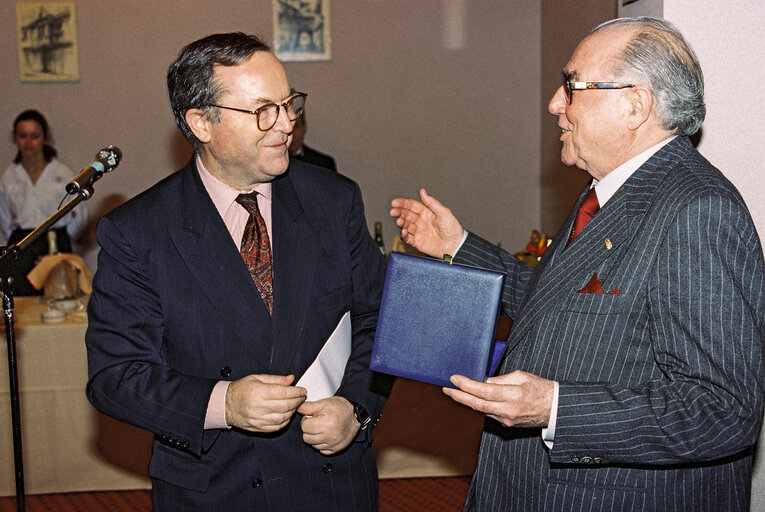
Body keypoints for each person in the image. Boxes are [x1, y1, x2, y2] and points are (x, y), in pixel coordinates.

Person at [390, 17, 765, 512]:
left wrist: (555, 409)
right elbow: (566, 304)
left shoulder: (697, 209)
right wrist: (458, 246)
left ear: (635, 105)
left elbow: (722, 410)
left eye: (572, 86)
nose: (554, 104)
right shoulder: (608, 192)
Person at [85, 32, 387, 511]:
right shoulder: (138, 232)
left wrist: (357, 408)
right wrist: (222, 404)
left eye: (290, 104)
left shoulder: (334, 200)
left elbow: (378, 321)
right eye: (264, 109)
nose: (286, 124)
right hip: (215, 488)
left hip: (329, 481)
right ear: (202, 123)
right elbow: (115, 377)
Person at [0, 109, 89, 295]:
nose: (28, 142)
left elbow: (78, 215)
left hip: (54, 243)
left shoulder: (61, 173)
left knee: (59, 298)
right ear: (16, 138)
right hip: (22, 246)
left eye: (34, 136)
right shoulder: (9, 177)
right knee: (22, 301)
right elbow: (5, 220)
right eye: (23, 136)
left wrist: (62, 236)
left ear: (44, 137)